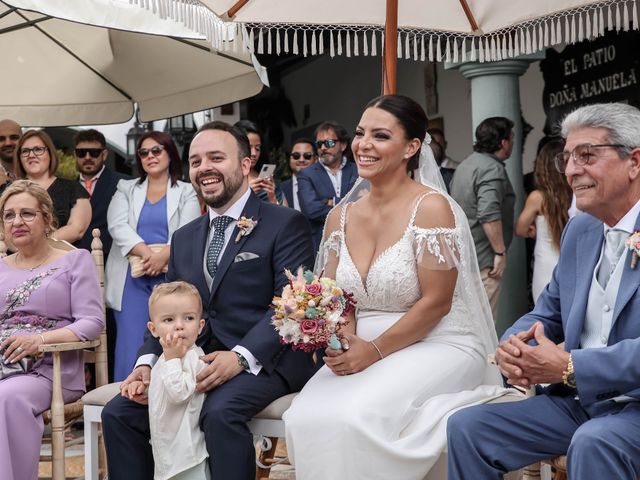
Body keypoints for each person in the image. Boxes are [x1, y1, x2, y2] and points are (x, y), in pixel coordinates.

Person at [283, 95, 509, 479]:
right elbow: (338, 297)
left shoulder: (432, 208)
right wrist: (342, 340)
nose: (363, 144)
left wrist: (371, 352)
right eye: (359, 133)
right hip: (364, 342)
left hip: (437, 339)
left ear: (411, 147)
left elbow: (437, 303)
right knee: (304, 416)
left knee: (356, 417)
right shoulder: (340, 216)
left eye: (380, 135)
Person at [101, 121, 316, 480]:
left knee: (217, 412)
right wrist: (147, 364)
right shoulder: (184, 237)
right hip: (191, 360)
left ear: (245, 164)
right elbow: (167, 309)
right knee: (119, 413)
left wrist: (240, 357)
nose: (205, 168)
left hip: (265, 363)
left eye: (217, 157)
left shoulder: (285, 223)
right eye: (197, 161)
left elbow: (290, 303)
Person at [447, 103, 640, 480]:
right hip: (581, 405)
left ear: (634, 161)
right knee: (468, 428)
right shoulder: (580, 231)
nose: (570, 170)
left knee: (595, 441)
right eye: (567, 158)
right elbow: (548, 310)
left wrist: (570, 366)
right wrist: (516, 346)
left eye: (586, 155)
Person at [0, 180, 103, 479]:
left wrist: (39, 341)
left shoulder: (74, 261)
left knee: (7, 397)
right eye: (8, 215)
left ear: (47, 219)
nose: (16, 221)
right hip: (5, 361)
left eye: (27, 214)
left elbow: (92, 323)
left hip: (50, 369)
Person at [105, 131, 200, 381]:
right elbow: (116, 225)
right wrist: (147, 253)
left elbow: (188, 228)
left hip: (171, 275)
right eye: (144, 152)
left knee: (170, 337)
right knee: (130, 340)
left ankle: (169, 393)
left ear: (170, 152)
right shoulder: (125, 188)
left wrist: (164, 257)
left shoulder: (187, 191)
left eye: (156, 150)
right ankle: (125, 399)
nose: (150, 156)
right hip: (131, 277)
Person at [122, 281, 210, 480]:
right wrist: (143, 389)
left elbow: (179, 393)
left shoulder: (195, 359)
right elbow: (163, 391)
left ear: (200, 326)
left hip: (187, 455)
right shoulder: (165, 358)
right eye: (169, 319)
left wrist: (172, 359)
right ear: (154, 329)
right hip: (166, 452)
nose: (179, 326)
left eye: (189, 318)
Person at [450, 117, 516, 319]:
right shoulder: (491, 169)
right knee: (484, 324)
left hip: (465, 255)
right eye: (511, 138)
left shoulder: (465, 165)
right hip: (484, 259)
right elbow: (488, 213)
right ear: (504, 142)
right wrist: (500, 253)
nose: (512, 143)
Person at [515, 138, 571, 303]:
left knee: (545, 309)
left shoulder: (538, 197)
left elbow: (520, 229)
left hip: (546, 262)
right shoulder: (575, 194)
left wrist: (536, 231)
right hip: (571, 259)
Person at [14, 130, 91, 244]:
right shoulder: (8, 191)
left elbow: (77, 229)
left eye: (38, 149)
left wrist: (39, 245)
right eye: (25, 151)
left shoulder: (73, 188)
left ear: (50, 153)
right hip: (15, 258)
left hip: (61, 259)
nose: (31, 155)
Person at [297, 121, 359, 252]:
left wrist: (333, 201)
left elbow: (367, 202)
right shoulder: (306, 174)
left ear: (343, 145)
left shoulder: (358, 171)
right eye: (319, 144)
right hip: (323, 245)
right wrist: (351, 207)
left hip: (356, 242)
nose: (323, 148)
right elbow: (312, 210)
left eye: (329, 143)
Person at [74, 129, 130, 257]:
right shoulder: (67, 188)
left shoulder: (124, 183)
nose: (87, 157)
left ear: (104, 154)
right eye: (82, 153)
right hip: (78, 262)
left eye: (94, 153)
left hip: (115, 260)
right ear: (75, 155)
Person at [234, 120, 282, 205]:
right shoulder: (228, 179)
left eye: (258, 148)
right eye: (249, 147)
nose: (254, 153)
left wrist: (273, 198)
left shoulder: (267, 179)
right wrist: (245, 194)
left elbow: (287, 214)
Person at [281, 138, 317, 210]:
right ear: (290, 159)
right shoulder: (280, 188)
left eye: (307, 156)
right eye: (296, 156)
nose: (301, 160)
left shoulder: (325, 183)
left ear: (316, 160)